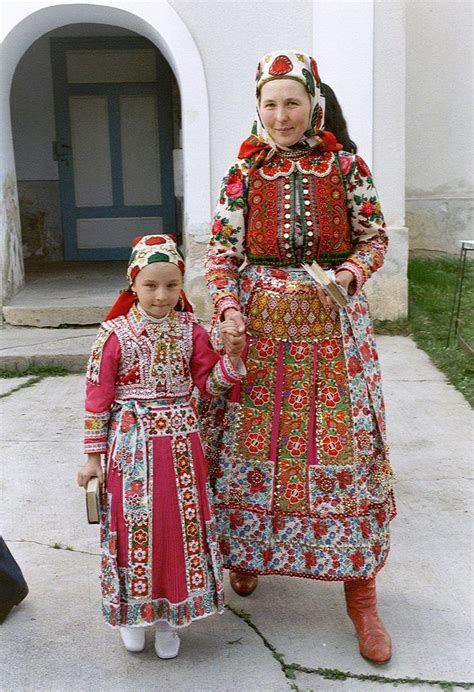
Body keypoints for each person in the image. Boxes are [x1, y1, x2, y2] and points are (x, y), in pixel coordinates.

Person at [204, 51, 395, 663]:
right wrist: (229, 311)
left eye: (293, 102)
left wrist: (349, 272)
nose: (282, 115)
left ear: (314, 102)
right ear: (257, 107)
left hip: (334, 338)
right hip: (261, 339)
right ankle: (248, 552)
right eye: (270, 103)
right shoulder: (243, 172)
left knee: (345, 457)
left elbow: (374, 236)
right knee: (253, 453)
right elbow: (222, 253)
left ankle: (361, 594)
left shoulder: (345, 166)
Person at [77, 234, 246, 659]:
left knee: (177, 529)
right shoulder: (113, 334)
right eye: (151, 285)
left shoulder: (191, 330)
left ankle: (171, 619)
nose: (161, 295)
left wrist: (232, 354)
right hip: (131, 450)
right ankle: (134, 614)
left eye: (171, 285)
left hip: (182, 449)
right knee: (134, 530)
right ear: (132, 283)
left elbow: (210, 386)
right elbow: (97, 396)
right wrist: (93, 458)